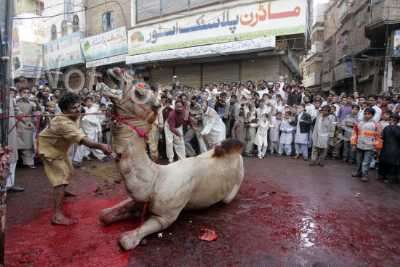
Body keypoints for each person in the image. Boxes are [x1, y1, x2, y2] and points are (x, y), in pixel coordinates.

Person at [39, 92, 112, 225]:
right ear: (65, 110)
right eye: (74, 108)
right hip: (49, 149)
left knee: (69, 170)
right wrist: (101, 146)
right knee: (60, 179)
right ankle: (57, 216)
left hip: (60, 148)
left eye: (79, 106)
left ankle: (63, 192)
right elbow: (83, 140)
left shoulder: (74, 115)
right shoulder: (63, 122)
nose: (78, 109)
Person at [351, 108, 383, 182]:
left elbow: (378, 137)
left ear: (372, 115)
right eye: (365, 113)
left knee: (366, 162)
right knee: (359, 160)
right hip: (359, 145)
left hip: (370, 147)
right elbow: (354, 134)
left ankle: (364, 175)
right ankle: (358, 172)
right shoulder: (359, 123)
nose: (366, 115)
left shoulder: (376, 124)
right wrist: (353, 144)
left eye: (369, 114)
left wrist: (377, 148)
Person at [6, 87, 24, 192]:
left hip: (10, 132)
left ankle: (9, 184)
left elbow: (18, 112)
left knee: (12, 157)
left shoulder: (10, 99)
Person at [16, 88, 39, 168]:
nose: (26, 94)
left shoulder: (32, 103)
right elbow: (17, 112)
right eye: (24, 92)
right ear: (20, 93)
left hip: (29, 124)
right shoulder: (16, 101)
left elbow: (35, 113)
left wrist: (36, 106)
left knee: (28, 145)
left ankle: (29, 162)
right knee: (16, 144)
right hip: (17, 124)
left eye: (27, 92)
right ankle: (16, 162)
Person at [378, 114, 400, 184]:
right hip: (395, 149)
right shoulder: (397, 128)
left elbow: (382, 137)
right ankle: (389, 177)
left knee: (385, 163)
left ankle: (383, 176)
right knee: (392, 164)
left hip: (386, 148)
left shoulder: (387, 127)